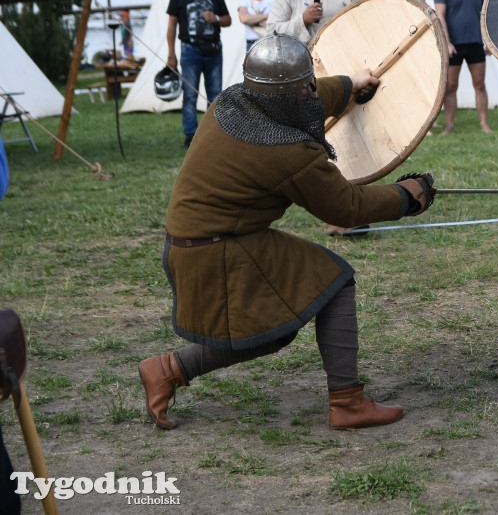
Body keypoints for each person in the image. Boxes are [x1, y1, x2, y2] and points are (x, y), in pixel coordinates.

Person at [137, 33, 436, 431]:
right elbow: (345, 207)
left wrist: (350, 84)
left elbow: (302, 99)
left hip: (200, 242)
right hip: (217, 251)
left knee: (273, 330)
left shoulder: (232, 102)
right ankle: (347, 402)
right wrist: (405, 197)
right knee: (335, 281)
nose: (312, 92)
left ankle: (168, 369)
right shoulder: (287, 152)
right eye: (306, 86)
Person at [166, 0, 232, 149]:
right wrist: (171, 54)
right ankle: (191, 136)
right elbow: (171, 26)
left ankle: (214, 134)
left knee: (215, 95)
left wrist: (216, 19)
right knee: (190, 95)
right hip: (190, 49)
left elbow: (228, 19)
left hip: (213, 48)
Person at [434, 0, 492, 134]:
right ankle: (449, 125)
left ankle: (484, 124)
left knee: (479, 84)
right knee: (450, 86)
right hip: (454, 45)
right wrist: (447, 42)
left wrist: (489, 42)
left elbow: (486, 14)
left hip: (475, 42)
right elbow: (440, 16)